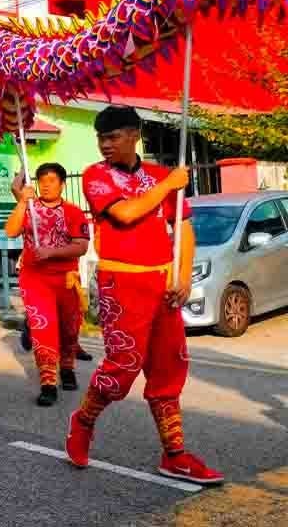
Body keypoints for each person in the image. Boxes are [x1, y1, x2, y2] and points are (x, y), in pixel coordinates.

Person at [66, 105, 223, 484]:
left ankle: (175, 454)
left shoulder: (161, 175)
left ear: (135, 134)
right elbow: (126, 214)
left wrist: (183, 277)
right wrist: (169, 185)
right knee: (122, 369)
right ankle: (83, 420)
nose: (105, 145)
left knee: (169, 367)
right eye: (100, 138)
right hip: (122, 284)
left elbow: (182, 229)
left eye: (113, 136)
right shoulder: (96, 176)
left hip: (162, 282)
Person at [6, 163, 89, 406]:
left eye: (52, 180)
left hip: (66, 279)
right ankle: (48, 383)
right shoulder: (29, 208)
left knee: (69, 329)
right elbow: (11, 231)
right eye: (42, 180)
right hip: (35, 279)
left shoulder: (74, 212)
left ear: (62, 184)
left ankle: (67, 367)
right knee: (44, 329)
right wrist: (22, 201)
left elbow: (82, 246)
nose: (46, 184)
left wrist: (52, 252)